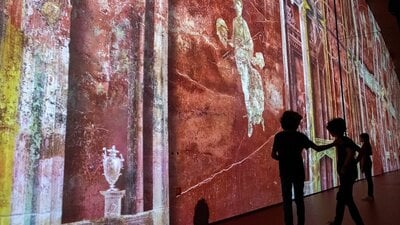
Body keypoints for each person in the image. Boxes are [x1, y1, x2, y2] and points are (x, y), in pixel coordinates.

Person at [271, 110, 334, 225]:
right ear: (296, 123)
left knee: (287, 200)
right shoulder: (300, 136)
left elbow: (273, 155)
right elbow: (318, 148)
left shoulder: (279, 137)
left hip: (285, 171)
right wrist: (333, 144)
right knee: (299, 199)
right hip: (298, 171)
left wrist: (284, 159)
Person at [325, 118, 364, 225]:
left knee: (348, 200)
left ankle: (360, 223)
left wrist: (345, 166)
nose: (330, 132)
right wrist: (355, 162)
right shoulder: (347, 139)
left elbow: (350, 152)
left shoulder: (341, 140)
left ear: (334, 130)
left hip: (346, 174)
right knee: (341, 198)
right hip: (350, 173)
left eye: (330, 130)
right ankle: (337, 221)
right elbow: (360, 151)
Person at [359, 133, 374, 200]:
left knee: (369, 179)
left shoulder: (365, 145)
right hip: (368, 162)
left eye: (360, 137)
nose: (360, 139)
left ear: (363, 138)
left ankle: (370, 196)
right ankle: (370, 195)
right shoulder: (367, 144)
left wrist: (362, 166)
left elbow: (363, 157)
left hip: (366, 163)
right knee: (369, 179)